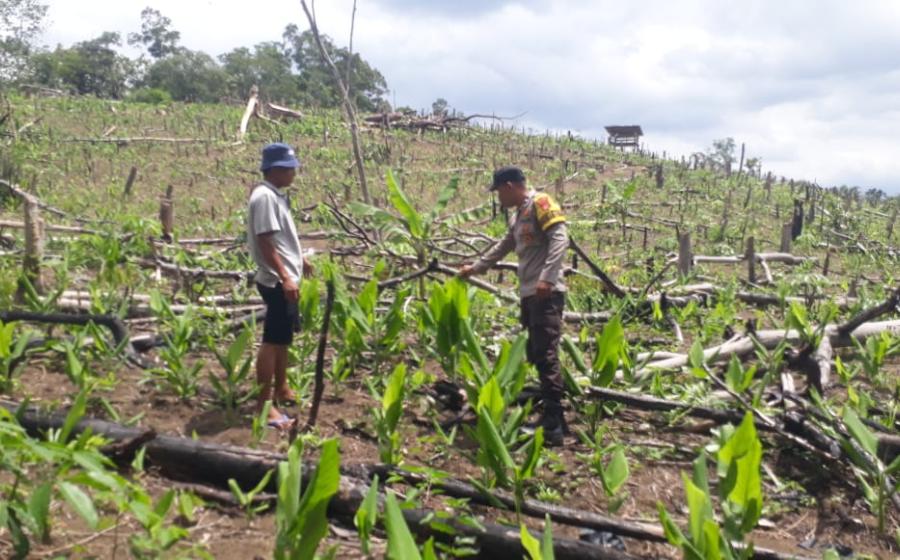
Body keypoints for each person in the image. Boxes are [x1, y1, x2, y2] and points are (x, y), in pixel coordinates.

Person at [459, 166, 569, 445]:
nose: (498, 198)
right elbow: (504, 245)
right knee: (534, 351)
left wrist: (548, 277)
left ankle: (555, 424)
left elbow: (560, 238)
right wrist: (476, 268)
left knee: (545, 354)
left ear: (509, 186)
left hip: (546, 292)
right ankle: (549, 412)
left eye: (498, 192)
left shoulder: (541, 203)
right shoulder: (519, 215)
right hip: (530, 294)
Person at [247, 142, 313, 429]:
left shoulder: (275, 196)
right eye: (290, 169)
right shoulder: (264, 197)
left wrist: (299, 263)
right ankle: (264, 407)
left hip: (285, 278)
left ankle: (282, 387)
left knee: (284, 338)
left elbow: (282, 240)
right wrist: (286, 276)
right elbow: (265, 240)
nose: (294, 174)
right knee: (272, 341)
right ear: (276, 169)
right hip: (276, 282)